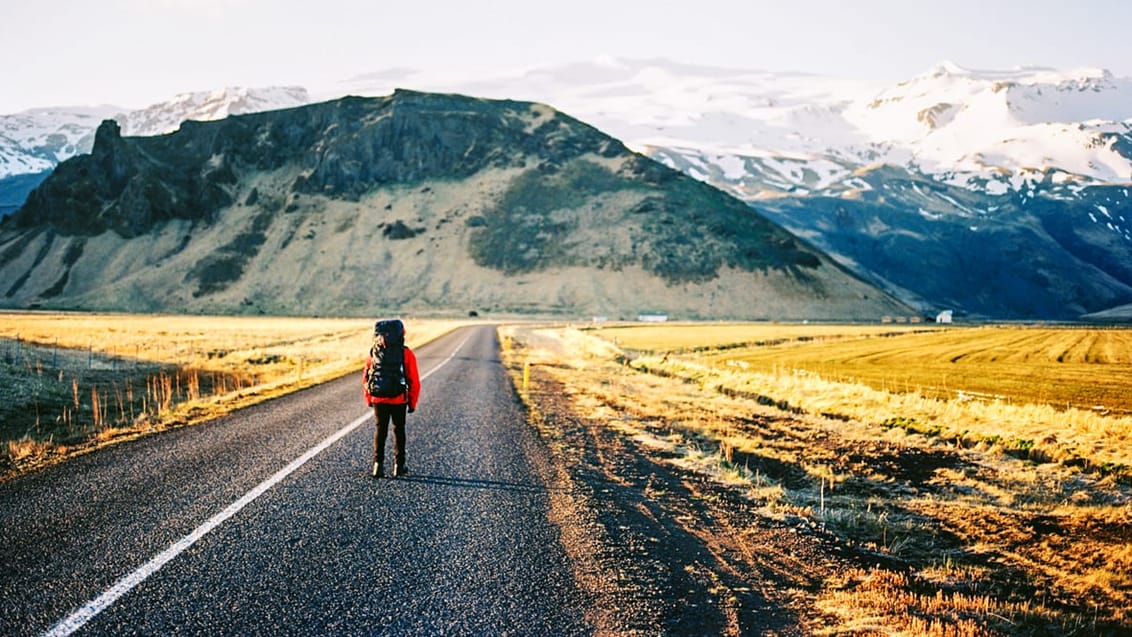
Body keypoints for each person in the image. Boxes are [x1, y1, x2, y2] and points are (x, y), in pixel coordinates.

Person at [362, 319, 420, 478]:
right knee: (398, 430)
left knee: (380, 430)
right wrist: (412, 402)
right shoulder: (406, 353)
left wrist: (369, 397)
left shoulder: (374, 351)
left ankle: (377, 465)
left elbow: (366, 376)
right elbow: (413, 380)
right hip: (398, 399)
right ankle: (398, 466)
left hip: (378, 399)